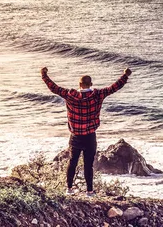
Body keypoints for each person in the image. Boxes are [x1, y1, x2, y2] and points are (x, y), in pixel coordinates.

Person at [41, 66, 132, 196]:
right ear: (91, 84)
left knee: (72, 162)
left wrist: (44, 75)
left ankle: (69, 189)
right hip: (90, 136)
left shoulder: (70, 95)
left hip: (75, 136)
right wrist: (125, 76)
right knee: (88, 164)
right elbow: (114, 87)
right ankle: (89, 191)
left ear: (80, 84)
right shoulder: (98, 95)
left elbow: (53, 87)